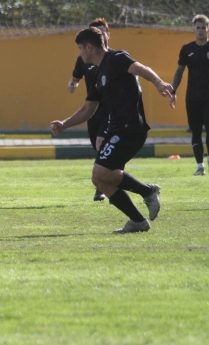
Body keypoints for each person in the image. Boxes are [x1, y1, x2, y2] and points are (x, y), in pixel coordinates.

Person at [50, 27, 169, 233]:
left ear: (89, 47)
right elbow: (88, 108)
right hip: (116, 129)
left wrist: (158, 82)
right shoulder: (98, 74)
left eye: (80, 48)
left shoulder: (116, 58)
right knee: (100, 178)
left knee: (101, 173)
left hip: (130, 128)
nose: (79, 54)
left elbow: (140, 68)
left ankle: (147, 193)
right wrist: (64, 124)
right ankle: (138, 218)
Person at [66, 18, 112, 201]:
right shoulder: (83, 58)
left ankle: (102, 186)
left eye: (101, 32)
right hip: (92, 109)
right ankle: (109, 177)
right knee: (98, 145)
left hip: (110, 108)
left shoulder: (114, 58)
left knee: (102, 143)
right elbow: (76, 77)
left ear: (107, 35)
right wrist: (72, 84)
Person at [170, 14, 209, 176]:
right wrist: (173, 92)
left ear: (208, 29)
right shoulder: (187, 49)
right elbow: (179, 71)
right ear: (194, 29)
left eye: (204, 27)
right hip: (192, 97)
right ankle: (200, 166)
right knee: (195, 132)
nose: (201, 31)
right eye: (198, 27)